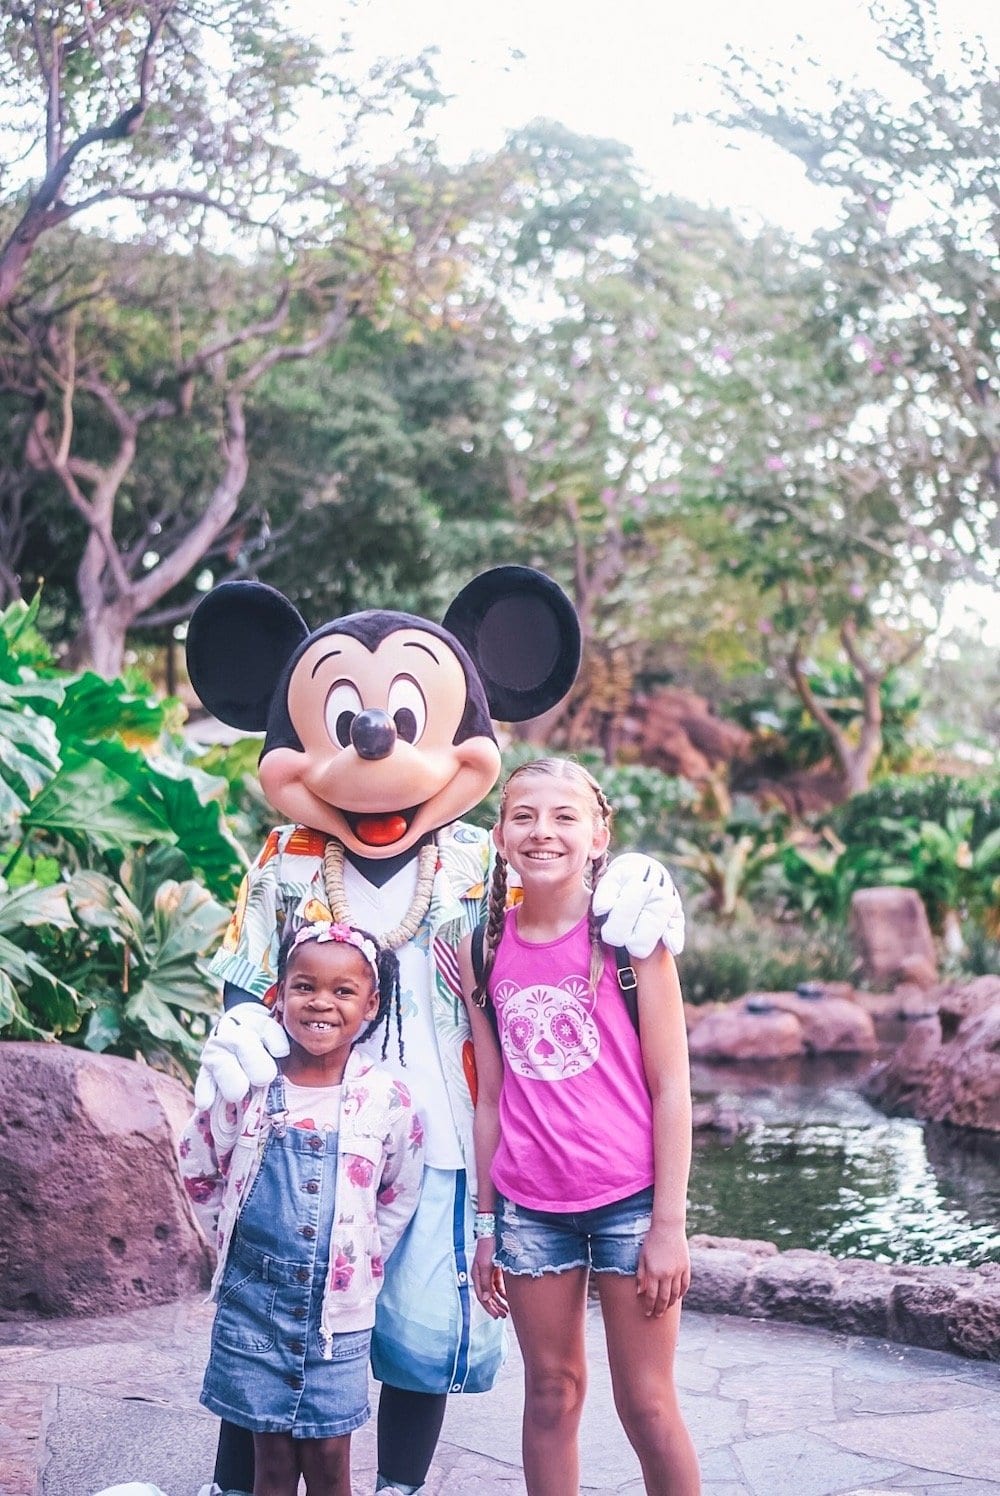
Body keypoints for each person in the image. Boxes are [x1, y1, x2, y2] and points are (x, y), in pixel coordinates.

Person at [184, 567, 685, 1496]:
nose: (376, 746)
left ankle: (400, 1486)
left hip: (443, 1134)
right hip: (307, 1128)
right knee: (278, 1313)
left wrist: (637, 881)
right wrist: (240, 1033)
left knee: (421, 1325)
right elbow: (248, 970)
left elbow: (561, 903)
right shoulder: (288, 858)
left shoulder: (476, 858)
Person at [459, 758, 701, 1496]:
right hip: (532, 1211)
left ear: (599, 836)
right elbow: (491, 1096)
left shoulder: (632, 942)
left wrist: (670, 1224)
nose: (544, 832)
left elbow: (672, 1088)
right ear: (500, 837)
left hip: (630, 1204)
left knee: (648, 1405)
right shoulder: (483, 947)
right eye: (525, 816)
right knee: (550, 1395)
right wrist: (485, 1224)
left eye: (565, 817)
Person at [178, 921, 425, 1496]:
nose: (321, 1002)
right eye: (304, 986)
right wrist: (230, 1241)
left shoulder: (386, 1098)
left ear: (371, 1005)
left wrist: (354, 1261)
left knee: (329, 1456)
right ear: (278, 995)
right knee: (269, 1459)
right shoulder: (253, 1090)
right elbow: (200, 1161)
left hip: (338, 1318)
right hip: (252, 1306)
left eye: (343, 991)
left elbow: (396, 1194)